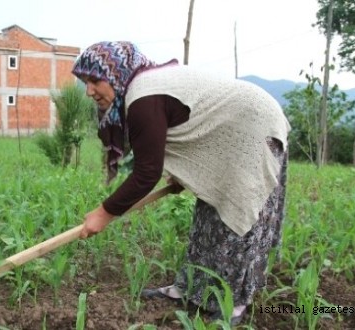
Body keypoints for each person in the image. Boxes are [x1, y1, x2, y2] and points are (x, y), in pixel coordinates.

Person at [72, 41, 290, 325]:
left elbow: (146, 174)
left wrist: (104, 213)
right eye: (84, 82)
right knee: (208, 214)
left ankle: (233, 303)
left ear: (115, 74)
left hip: (254, 127)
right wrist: (181, 173)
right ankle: (190, 290)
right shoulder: (141, 89)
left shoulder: (141, 98)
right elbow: (181, 125)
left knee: (236, 220)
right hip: (236, 127)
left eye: (94, 80)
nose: (89, 91)